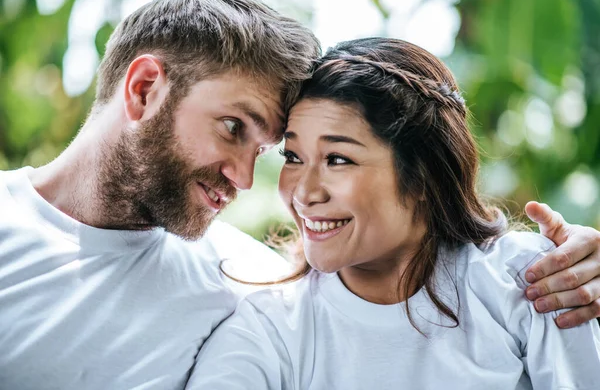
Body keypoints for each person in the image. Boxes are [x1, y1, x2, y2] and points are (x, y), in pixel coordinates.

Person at [0, 0, 597, 388]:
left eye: (263, 151)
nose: (243, 178)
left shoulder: (244, 280)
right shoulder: (265, 309)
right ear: (145, 88)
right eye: (233, 127)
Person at [188, 38, 600, 389]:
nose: (305, 192)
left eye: (338, 159)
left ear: (421, 176)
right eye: (293, 155)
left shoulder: (530, 282)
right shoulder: (269, 328)